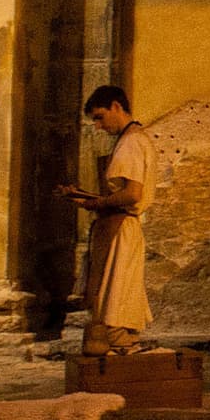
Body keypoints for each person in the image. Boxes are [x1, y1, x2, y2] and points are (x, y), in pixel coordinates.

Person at [63, 85, 156, 356]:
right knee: (118, 288)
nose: (99, 126)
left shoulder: (131, 142)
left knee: (116, 291)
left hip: (121, 228)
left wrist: (96, 203)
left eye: (100, 117)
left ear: (116, 106)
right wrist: (83, 197)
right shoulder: (134, 139)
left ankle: (121, 344)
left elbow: (131, 193)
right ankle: (123, 343)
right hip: (122, 226)